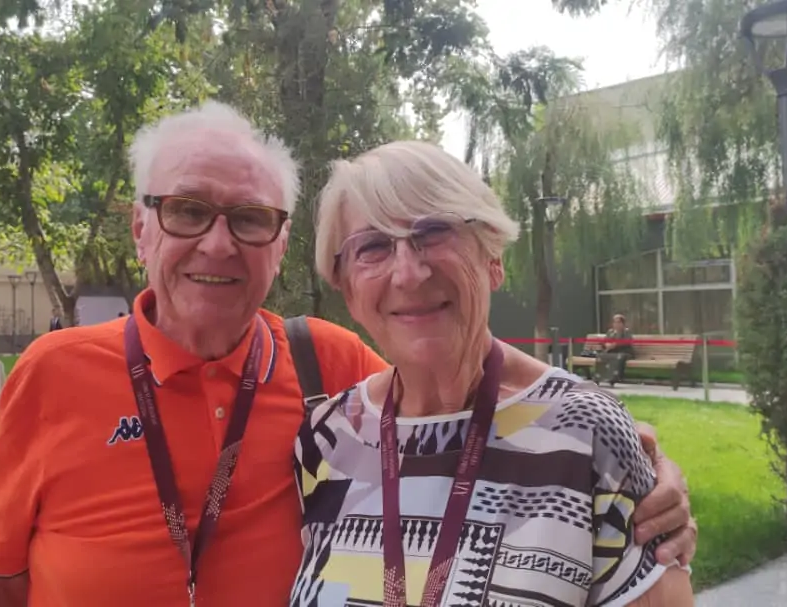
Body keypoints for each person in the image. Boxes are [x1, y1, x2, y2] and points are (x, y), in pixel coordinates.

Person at [0, 102, 695, 607]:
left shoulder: (326, 371)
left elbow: (481, 416)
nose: (217, 243)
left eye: (249, 218)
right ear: (141, 228)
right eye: (187, 210)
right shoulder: (53, 375)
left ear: (279, 247)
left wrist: (630, 460)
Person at [293, 141, 693, 606]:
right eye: (373, 246)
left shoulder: (585, 435)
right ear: (346, 287)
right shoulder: (327, 439)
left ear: (493, 259)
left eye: (434, 231)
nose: (408, 272)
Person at [596, 314, 635, 386]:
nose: (616, 324)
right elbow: (603, 341)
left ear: (623, 323)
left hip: (624, 352)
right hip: (612, 353)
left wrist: (615, 345)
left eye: (618, 322)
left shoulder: (626, 332)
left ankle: (614, 378)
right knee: (601, 356)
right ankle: (600, 377)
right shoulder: (610, 332)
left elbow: (627, 342)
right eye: (614, 322)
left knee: (617, 357)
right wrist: (606, 344)